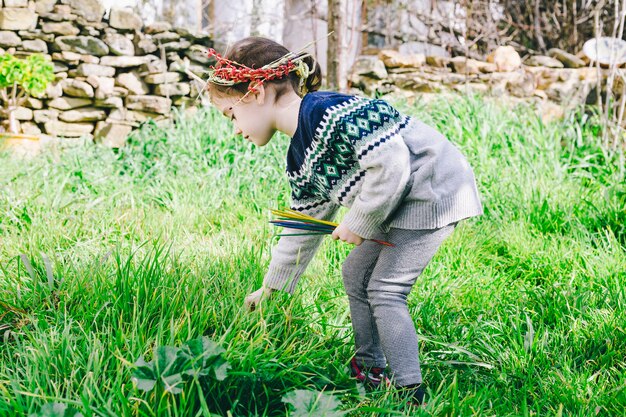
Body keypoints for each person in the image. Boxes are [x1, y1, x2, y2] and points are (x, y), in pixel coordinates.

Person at [205, 36, 483, 407]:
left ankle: (408, 392)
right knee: (355, 273)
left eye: (231, 114)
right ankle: (371, 367)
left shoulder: (328, 111)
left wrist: (359, 221)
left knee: (386, 289)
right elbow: (300, 230)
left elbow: (393, 162)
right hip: (402, 200)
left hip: (433, 188)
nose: (235, 128)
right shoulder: (301, 158)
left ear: (256, 91)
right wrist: (271, 289)